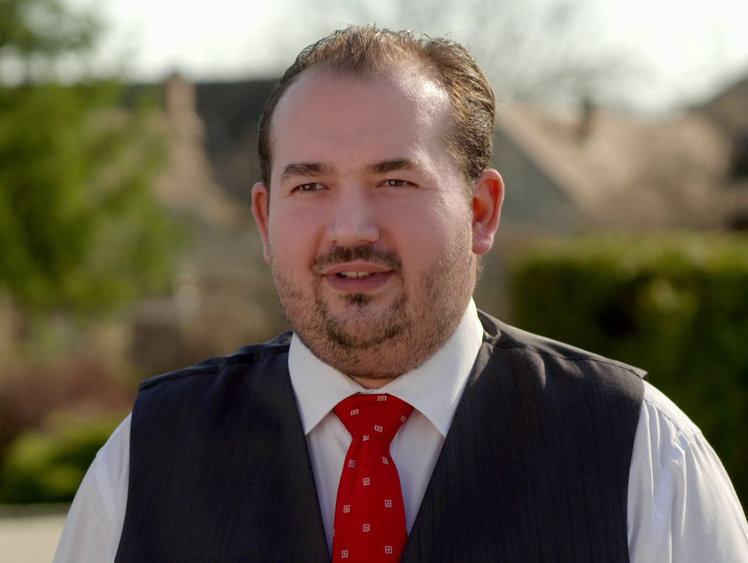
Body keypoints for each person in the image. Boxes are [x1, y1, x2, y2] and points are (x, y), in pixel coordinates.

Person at [55, 25, 748, 562]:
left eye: (395, 181)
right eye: (311, 185)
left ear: (481, 211)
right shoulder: (144, 461)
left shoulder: (644, 457)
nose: (350, 228)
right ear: (265, 221)